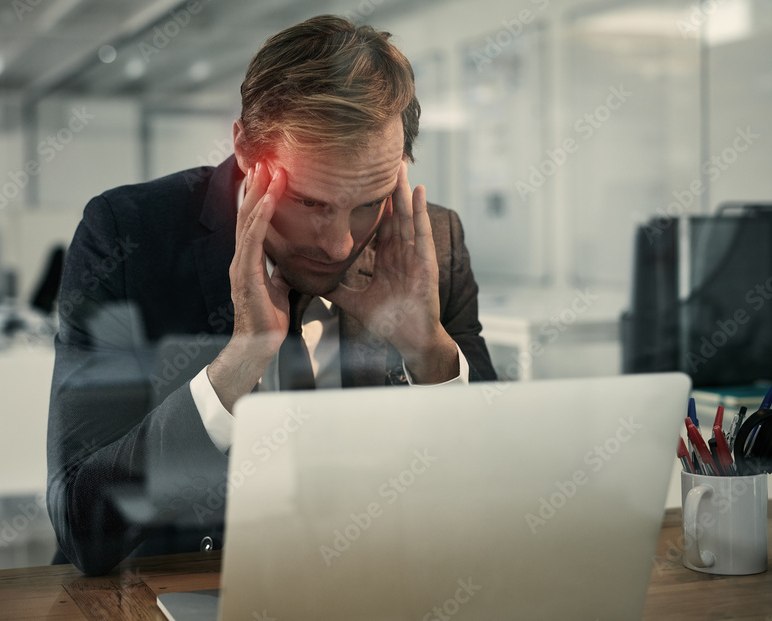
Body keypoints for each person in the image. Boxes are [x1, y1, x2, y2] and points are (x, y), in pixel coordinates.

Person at [47, 14, 496, 576]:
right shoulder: (128, 236)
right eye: (309, 203)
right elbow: (82, 525)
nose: (339, 244)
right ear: (242, 148)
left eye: (367, 202)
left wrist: (427, 352)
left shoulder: (431, 242)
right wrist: (237, 366)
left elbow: (498, 502)